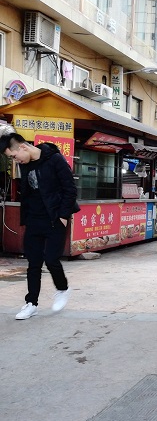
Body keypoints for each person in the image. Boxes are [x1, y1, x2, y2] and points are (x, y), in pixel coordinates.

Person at [1, 131, 78, 320]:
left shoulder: (55, 160)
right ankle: (31, 303)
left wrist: (63, 216)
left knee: (51, 259)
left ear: (23, 147)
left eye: (14, 156)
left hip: (54, 218)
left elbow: (70, 189)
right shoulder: (25, 164)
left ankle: (62, 289)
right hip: (34, 219)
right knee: (33, 263)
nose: (16, 161)